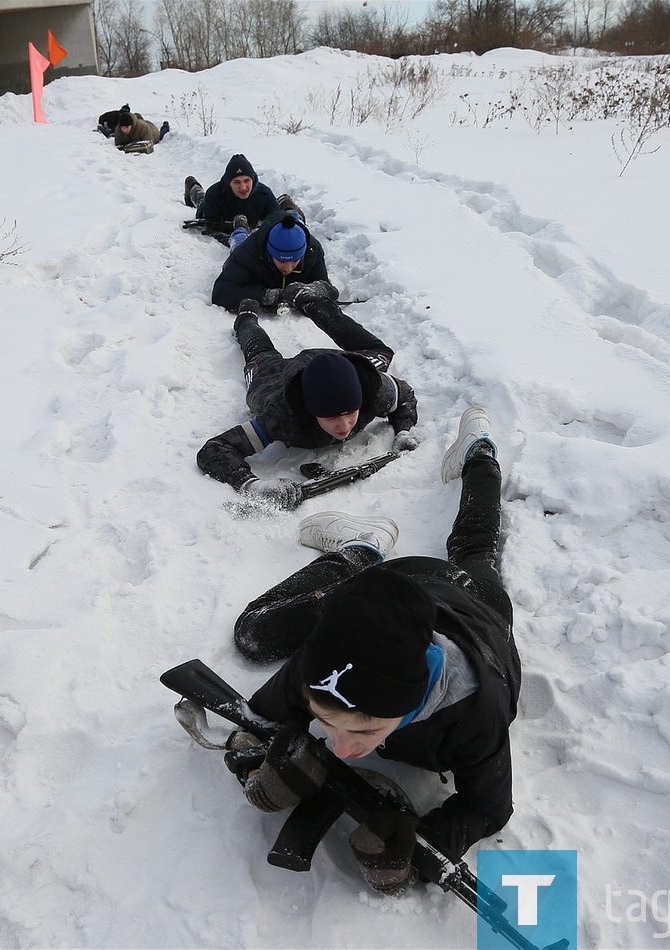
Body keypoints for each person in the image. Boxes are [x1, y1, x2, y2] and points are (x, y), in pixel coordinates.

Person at [227, 407, 520, 896]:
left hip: (474, 602)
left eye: (365, 730)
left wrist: (424, 841)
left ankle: (479, 457)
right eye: (329, 720)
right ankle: (361, 548)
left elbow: (488, 807)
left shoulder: (476, 712)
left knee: (474, 547)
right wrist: (263, 759)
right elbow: (259, 719)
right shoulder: (323, 661)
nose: (342, 747)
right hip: (390, 587)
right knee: (254, 633)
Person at [196, 297, 418, 509]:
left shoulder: (376, 390)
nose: (344, 426)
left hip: (338, 363)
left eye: (351, 412)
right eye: (330, 417)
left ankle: (311, 303)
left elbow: (406, 396)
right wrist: (253, 485)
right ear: (311, 411)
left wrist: (403, 431)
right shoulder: (281, 416)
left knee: (382, 353)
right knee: (260, 352)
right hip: (272, 376)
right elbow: (215, 449)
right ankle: (246, 316)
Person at [211, 211, 333, 313]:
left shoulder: (313, 250)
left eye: (295, 260)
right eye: (281, 261)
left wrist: (308, 290)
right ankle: (240, 228)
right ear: (270, 254)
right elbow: (221, 293)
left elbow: (328, 289)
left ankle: (290, 209)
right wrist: (267, 296)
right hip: (245, 245)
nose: (289, 268)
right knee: (239, 242)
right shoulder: (247, 253)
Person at [184, 155, 280, 234]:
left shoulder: (265, 194)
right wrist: (235, 226)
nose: (243, 187)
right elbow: (212, 227)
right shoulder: (214, 195)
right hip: (214, 209)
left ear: (253, 180)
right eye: (237, 182)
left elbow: (276, 220)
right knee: (201, 199)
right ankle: (191, 184)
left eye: (247, 181)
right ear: (229, 183)